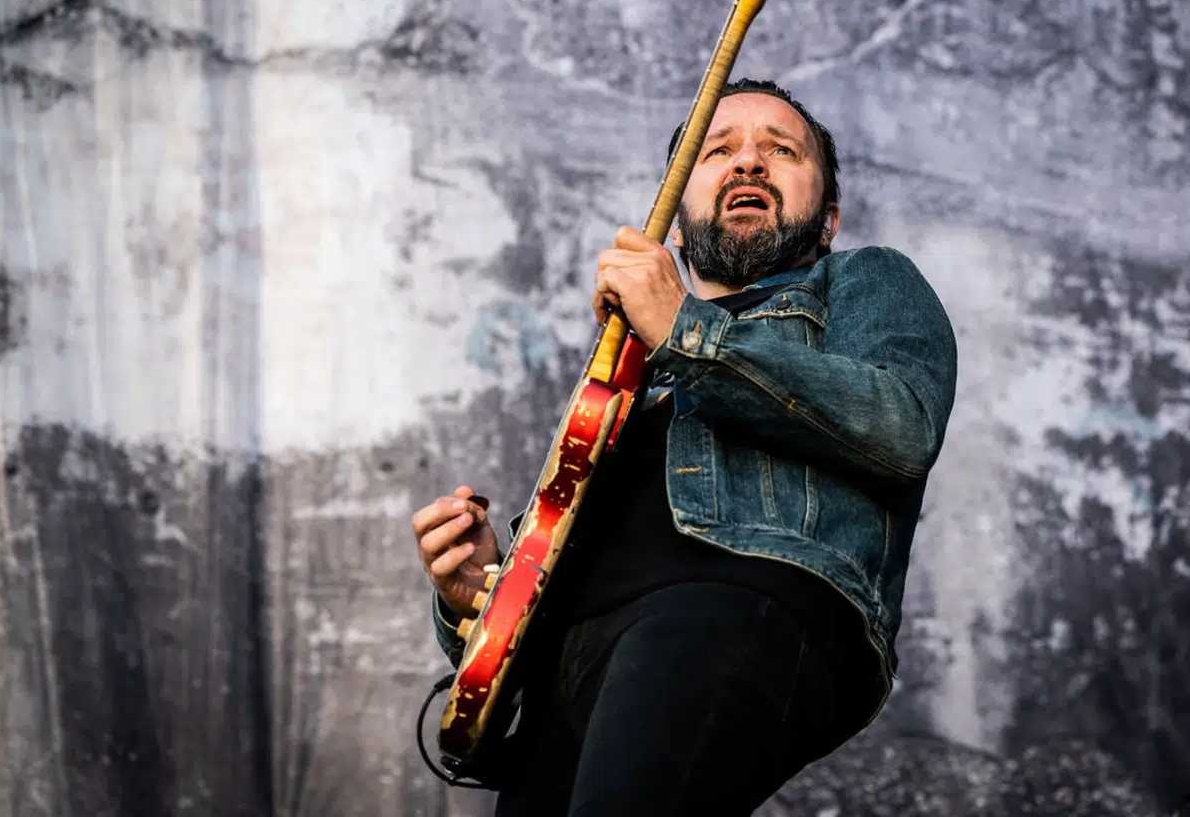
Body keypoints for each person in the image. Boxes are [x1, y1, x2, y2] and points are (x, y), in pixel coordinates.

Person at [411, 79, 958, 815]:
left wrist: (687, 330)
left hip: (733, 603)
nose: (749, 163)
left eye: (781, 150)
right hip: (566, 678)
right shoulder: (622, 375)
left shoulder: (864, 278)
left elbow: (902, 425)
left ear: (828, 219)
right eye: (718, 151)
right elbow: (545, 568)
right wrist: (476, 592)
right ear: (676, 219)